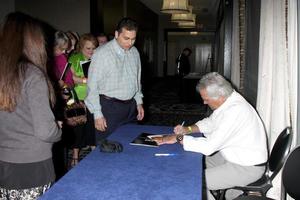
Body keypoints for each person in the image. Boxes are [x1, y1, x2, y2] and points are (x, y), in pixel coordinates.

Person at [153, 72, 268, 200]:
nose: (204, 102)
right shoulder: (229, 99)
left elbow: (209, 147)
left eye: (206, 99)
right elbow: (211, 122)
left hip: (246, 167)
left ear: (220, 96)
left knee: (193, 181)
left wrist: (178, 138)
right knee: (192, 161)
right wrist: (188, 129)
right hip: (233, 156)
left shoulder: (235, 111)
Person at [0, 12, 61, 199]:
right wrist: (57, 129)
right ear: (34, 42)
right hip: (33, 167)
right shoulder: (33, 75)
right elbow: (45, 131)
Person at [85, 17, 144, 152]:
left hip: (130, 107)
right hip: (109, 108)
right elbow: (92, 86)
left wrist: (139, 101)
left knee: (130, 145)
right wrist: (97, 114)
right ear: (117, 34)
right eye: (126, 38)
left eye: (133, 39)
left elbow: (137, 79)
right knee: (108, 150)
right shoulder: (102, 54)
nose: (130, 43)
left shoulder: (134, 52)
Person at [68, 33, 98, 166]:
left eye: (93, 48)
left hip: (92, 98)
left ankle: (93, 150)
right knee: (77, 128)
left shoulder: (97, 58)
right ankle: (75, 154)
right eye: (88, 48)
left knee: (92, 125)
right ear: (81, 47)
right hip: (76, 99)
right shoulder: (74, 58)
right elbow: (71, 78)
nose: (91, 51)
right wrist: (88, 80)